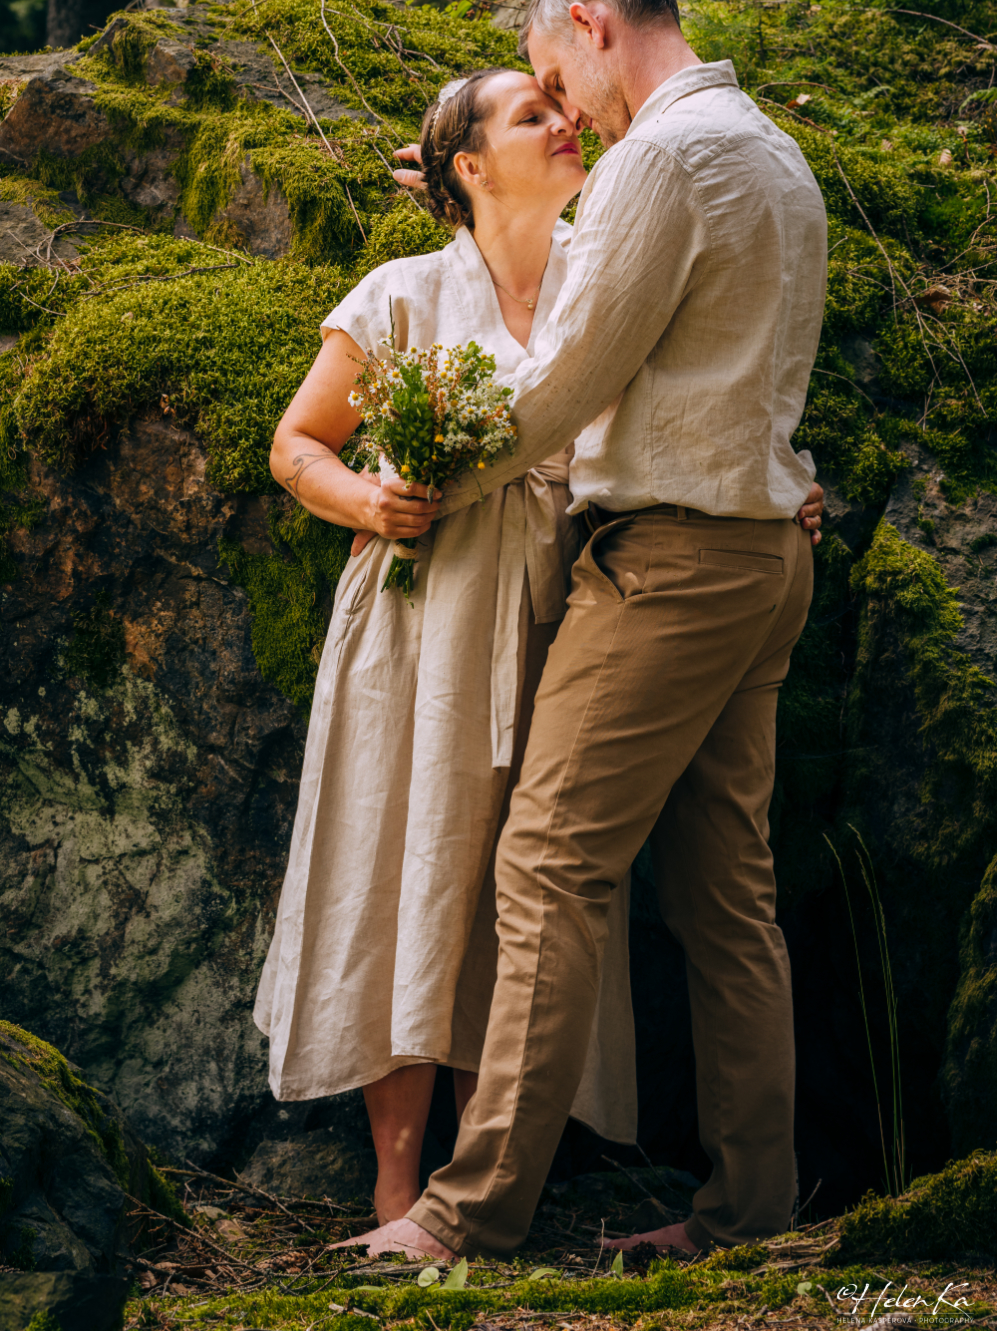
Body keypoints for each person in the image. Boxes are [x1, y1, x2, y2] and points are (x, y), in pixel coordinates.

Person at [347, 0, 830, 1263]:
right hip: (762, 559)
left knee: (548, 863)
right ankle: (749, 1212)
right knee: (726, 898)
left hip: (669, 567)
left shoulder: (662, 161)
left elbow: (563, 383)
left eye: (555, 78)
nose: (564, 109)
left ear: (588, 23)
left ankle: (468, 1214)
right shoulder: (770, 150)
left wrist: (429, 479)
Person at [257, 65, 785, 1226]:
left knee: (524, 884)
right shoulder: (401, 294)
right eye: (532, 115)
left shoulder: (611, 273)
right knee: (406, 869)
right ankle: (398, 1190)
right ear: (467, 165)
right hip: (419, 619)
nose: (565, 124)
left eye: (562, 108)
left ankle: (494, 1180)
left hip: (571, 609)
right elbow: (297, 445)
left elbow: (699, 398)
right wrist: (370, 500)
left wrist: (769, 479)